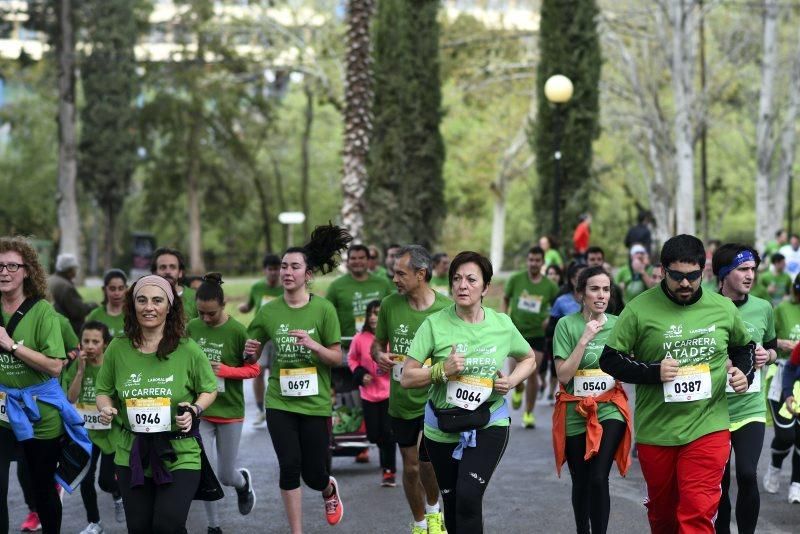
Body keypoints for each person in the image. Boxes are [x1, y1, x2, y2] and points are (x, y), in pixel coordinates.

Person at [599, 234, 755, 534]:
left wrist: (742, 373)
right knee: (664, 517)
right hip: (658, 431)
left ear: (704, 270)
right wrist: (653, 372)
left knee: (696, 514)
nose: (685, 284)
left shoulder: (722, 308)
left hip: (708, 426)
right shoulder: (639, 309)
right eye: (677, 277)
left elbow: (743, 347)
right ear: (662, 271)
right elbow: (610, 359)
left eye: (693, 277)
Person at [402, 250, 537, 534]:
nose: (463, 285)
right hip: (442, 426)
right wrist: (441, 371)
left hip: (489, 421)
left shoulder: (501, 324)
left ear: (486, 287)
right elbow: (407, 376)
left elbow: (529, 359)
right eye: (457, 279)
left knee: (468, 497)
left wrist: (511, 381)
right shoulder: (434, 325)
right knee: (451, 503)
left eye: (471, 279)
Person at [95, 275, 218, 534]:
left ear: (169, 307)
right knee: (140, 529)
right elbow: (103, 391)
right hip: (131, 452)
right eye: (142, 300)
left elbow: (208, 388)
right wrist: (105, 407)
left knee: (167, 525)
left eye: (157, 300)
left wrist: (195, 410)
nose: (149, 307)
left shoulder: (187, 349)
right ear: (133, 305)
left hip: (179, 452)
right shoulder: (117, 348)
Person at [246, 224, 350, 532]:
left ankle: (328, 489)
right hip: (280, 401)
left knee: (314, 474)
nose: (287, 272)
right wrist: (250, 351)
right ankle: (297, 531)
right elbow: (250, 356)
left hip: (315, 403)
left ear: (308, 274)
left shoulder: (323, 309)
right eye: (283, 266)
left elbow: (336, 357)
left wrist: (314, 345)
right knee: (289, 466)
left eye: (294, 266)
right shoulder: (268, 312)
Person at [0, 237, 83, 534]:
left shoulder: (43, 312)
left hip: (40, 415)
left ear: (26, 271)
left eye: (12, 265)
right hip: (2, 412)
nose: (4, 271)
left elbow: (54, 366)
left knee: (42, 490)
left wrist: (11, 347)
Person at [371, 245, 451, 534]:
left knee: (427, 464)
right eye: (394, 273)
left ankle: (433, 510)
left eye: (401, 273)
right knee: (412, 466)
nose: (394, 279)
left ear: (421, 274)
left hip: (435, 400)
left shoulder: (446, 309)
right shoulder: (390, 305)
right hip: (402, 400)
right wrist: (378, 355)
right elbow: (377, 344)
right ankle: (419, 523)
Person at [552, 266, 631, 534]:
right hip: (575, 410)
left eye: (606, 289)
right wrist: (584, 339)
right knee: (581, 480)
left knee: (598, 477)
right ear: (580, 294)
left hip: (610, 408)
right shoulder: (566, 325)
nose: (601, 295)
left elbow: (636, 361)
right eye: (594, 289)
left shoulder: (619, 324)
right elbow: (563, 375)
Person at [710, 244, 777, 533]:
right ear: (724, 274)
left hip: (750, 408)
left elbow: (773, 347)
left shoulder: (763, 307)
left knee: (748, 475)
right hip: (714, 410)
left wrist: (768, 356)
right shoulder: (706, 307)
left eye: (753, 269)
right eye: (743, 269)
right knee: (720, 481)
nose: (750, 275)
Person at [188, 273, 261, 533]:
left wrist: (226, 371)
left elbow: (253, 371)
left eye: (211, 314)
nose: (205, 319)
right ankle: (213, 526)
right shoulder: (192, 328)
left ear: (224, 304)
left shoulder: (238, 331)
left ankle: (243, 484)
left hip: (230, 411)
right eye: (201, 313)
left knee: (225, 475)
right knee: (204, 472)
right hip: (202, 411)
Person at [62, 321, 125, 533]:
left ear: (105, 344)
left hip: (110, 433)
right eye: (85, 341)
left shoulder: (112, 365)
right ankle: (95, 523)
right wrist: (80, 371)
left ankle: (118, 495)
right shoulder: (79, 365)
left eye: (95, 341)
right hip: (86, 434)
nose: (89, 346)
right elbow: (71, 397)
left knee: (106, 481)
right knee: (86, 481)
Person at [502, 246, 559, 428]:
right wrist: (504, 319)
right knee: (515, 373)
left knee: (532, 371)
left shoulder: (549, 286)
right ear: (527, 261)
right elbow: (505, 298)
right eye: (531, 260)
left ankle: (528, 413)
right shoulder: (516, 279)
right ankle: (518, 388)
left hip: (537, 334)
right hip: (517, 332)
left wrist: (549, 319)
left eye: (537, 260)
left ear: (542, 263)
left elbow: (555, 306)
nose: (534, 263)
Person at [347, 300, 396, 486]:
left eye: (378, 313)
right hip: (369, 394)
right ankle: (385, 450)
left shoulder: (392, 336)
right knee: (374, 435)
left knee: (388, 433)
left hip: (389, 393)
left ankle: (389, 470)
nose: (374, 317)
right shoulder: (359, 338)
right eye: (371, 314)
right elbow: (351, 359)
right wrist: (361, 375)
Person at [763, 272, 800, 502]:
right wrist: (781, 343)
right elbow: (765, 337)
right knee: (786, 436)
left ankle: (796, 483)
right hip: (784, 371)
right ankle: (775, 466)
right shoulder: (782, 309)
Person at [238, 253, 283, 427]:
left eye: (276, 269)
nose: (273, 272)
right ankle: (260, 410)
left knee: (275, 374)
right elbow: (250, 305)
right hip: (259, 337)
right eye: (270, 269)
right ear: (265, 270)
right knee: (258, 371)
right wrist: (243, 308)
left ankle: (274, 408)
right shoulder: (257, 287)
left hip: (278, 337)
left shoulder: (284, 288)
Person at [47, 253, 97, 334]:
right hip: (67, 331)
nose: (75, 272)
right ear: (69, 270)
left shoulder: (49, 280)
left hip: (52, 327)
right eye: (74, 269)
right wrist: (91, 306)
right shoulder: (66, 287)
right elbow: (77, 311)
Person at [150, 247, 199, 320]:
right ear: (154, 273)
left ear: (180, 273)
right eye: (163, 267)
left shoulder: (196, 298)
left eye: (172, 267)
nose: (167, 271)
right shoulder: (145, 298)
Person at [85, 269, 128, 337]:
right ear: (104, 289)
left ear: (126, 289)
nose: (117, 293)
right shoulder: (95, 316)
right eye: (112, 289)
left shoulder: (133, 314)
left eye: (121, 288)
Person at [584, 247, 624, 315]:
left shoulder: (614, 288)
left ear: (603, 261)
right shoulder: (580, 284)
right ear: (586, 261)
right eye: (592, 259)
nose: (596, 262)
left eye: (599, 259)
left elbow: (620, 311)